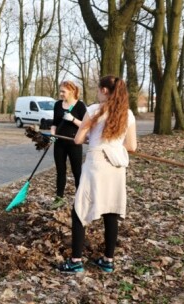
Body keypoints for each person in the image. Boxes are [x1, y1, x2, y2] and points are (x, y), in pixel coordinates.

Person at [58, 76, 137, 273]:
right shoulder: (128, 114)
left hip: (97, 164)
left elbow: (77, 139)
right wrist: (113, 143)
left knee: (80, 209)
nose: (96, 92)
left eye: (98, 89)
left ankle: (76, 261)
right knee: (111, 211)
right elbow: (132, 147)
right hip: (117, 166)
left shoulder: (93, 110)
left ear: (104, 90)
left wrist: (92, 138)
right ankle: (108, 261)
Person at [50, 80, 87, 208]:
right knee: (60, 171)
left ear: (71, 91)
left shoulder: (80, 106)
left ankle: (80, 198)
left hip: (74, 143)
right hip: (59, 143)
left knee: (77, 171)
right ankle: (59, 198)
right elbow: (54, 123)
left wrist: (73, 119)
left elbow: (85, 125)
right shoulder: (58, 105)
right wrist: (53, 134)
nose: (61, 94)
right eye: (60, 91)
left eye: (63, 91)